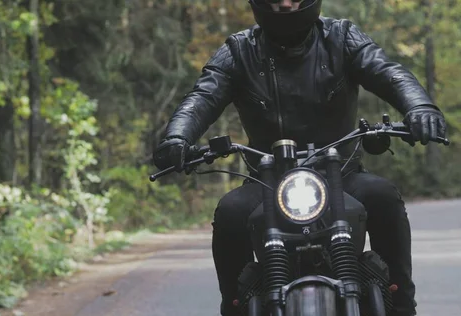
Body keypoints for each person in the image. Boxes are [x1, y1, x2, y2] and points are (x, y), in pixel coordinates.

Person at [152, 0, 447, 315]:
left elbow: (388, 72)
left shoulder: (343, 36)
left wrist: (420, 107)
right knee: (230, 212)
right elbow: (203, 96)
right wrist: (177, 137)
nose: (286, 3)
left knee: (383, 196)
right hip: (266, 183)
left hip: (342, 177)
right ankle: (234, 308)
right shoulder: (239, 51)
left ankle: (401, 306)